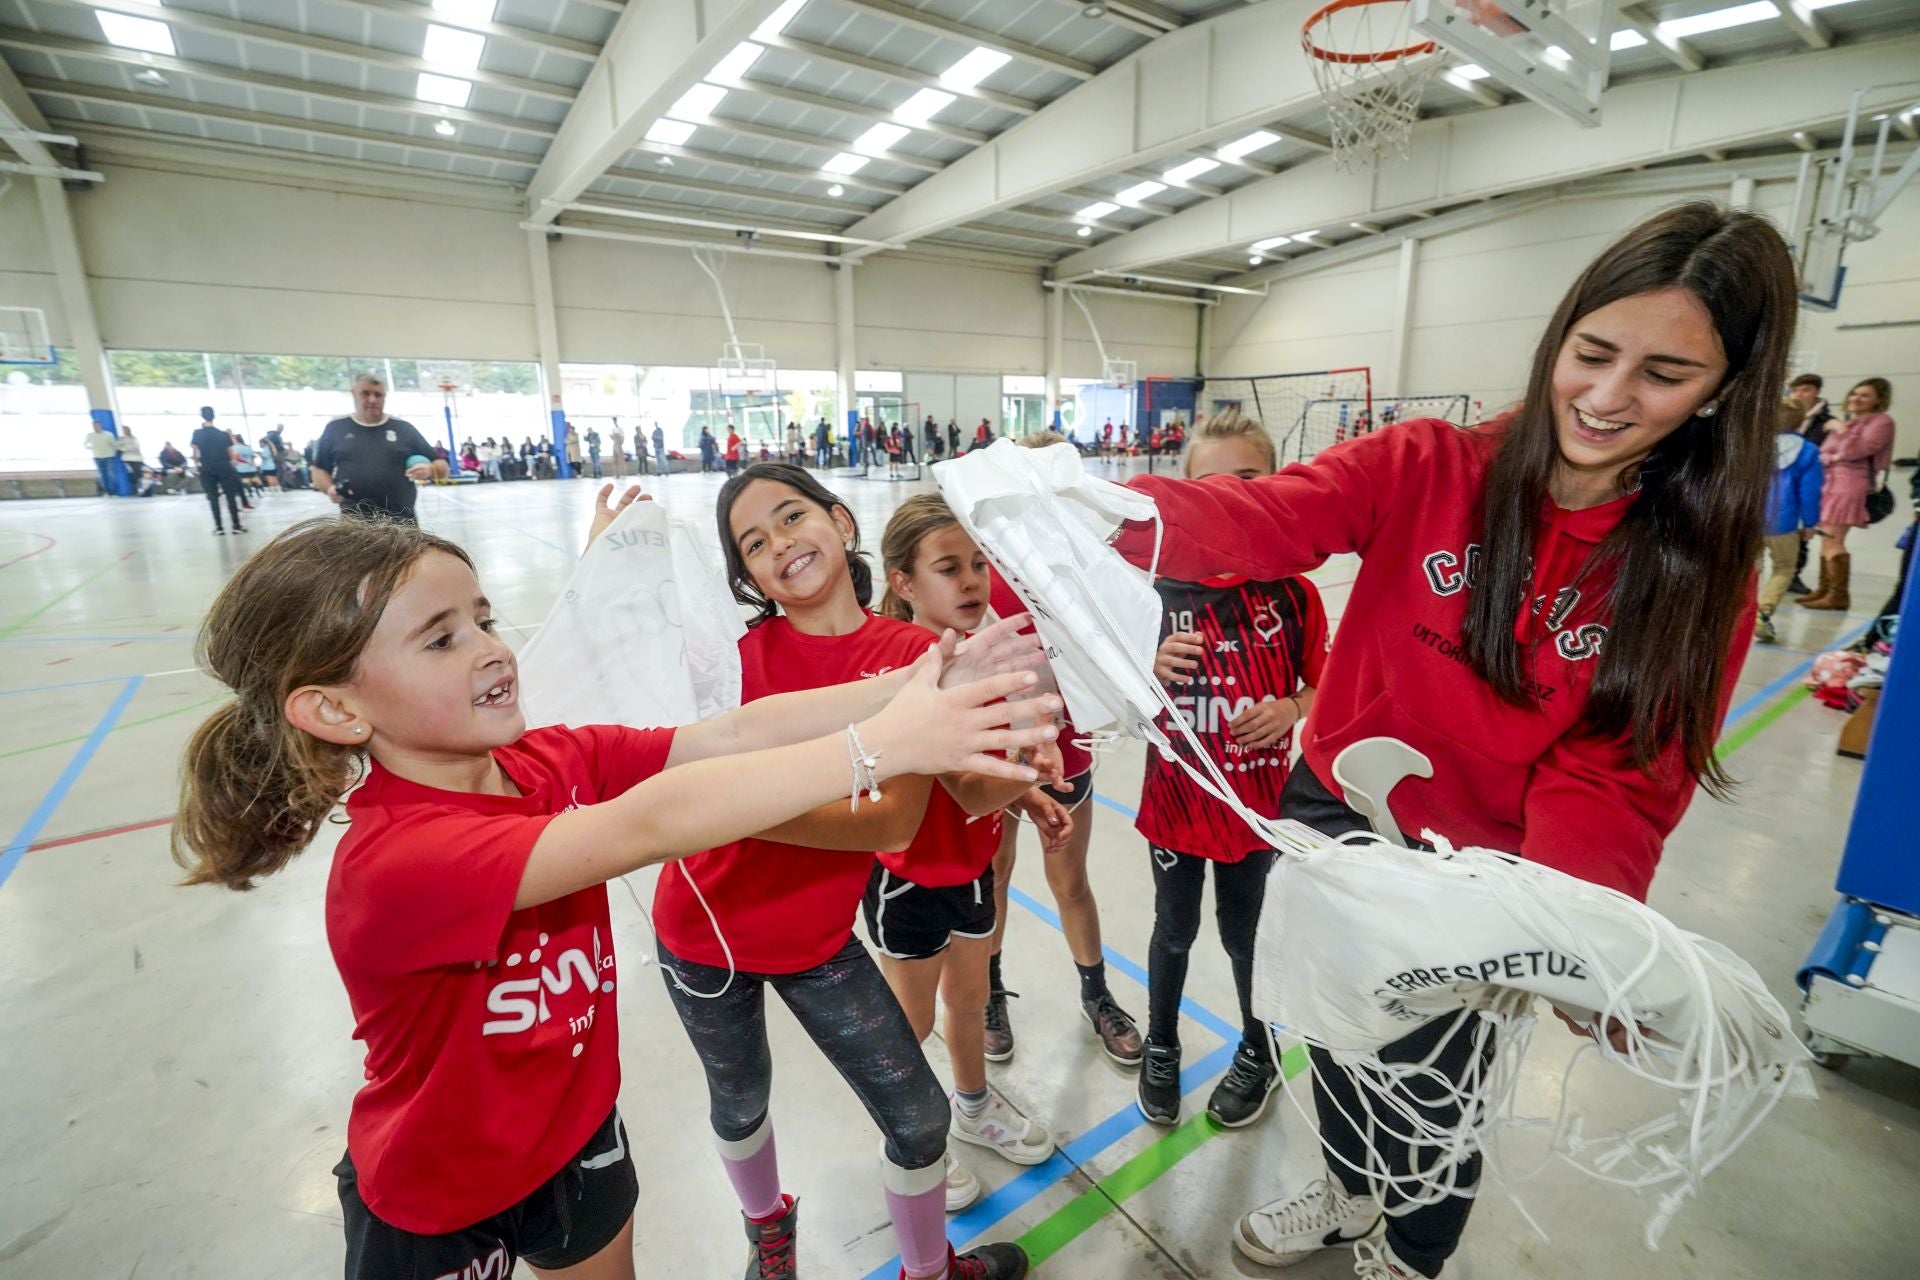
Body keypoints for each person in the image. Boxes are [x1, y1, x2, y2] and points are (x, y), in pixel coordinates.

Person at [1112, 202, 1793, 1279]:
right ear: (1559, 336)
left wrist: (1576, 933)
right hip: (1336, 811)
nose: (1609, 397)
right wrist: (1083, 510)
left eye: (1663, 373)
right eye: (1593, 352)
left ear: (1724, 390)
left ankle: (1415, 1250)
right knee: (1333, 1032)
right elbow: (1270, 516)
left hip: (1485, 869)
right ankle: (1342, 1189)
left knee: (1438, 1082)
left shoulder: (1699, 571)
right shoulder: (1432, 463)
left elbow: (1619, 771)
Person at [169, 513, 1053, 1280]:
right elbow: (649, 825)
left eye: (483, 618)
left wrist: (906, 686)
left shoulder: (536, 761)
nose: (490, 649)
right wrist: (881, 745)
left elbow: (725, 736)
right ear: (334, 710)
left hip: (580, 1143)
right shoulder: (403, 858)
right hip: (440, 1196)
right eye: (442, 638)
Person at [652, 465, 1047, 1280]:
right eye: (753, 545)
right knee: (740, 1102)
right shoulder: (730, 661)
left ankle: (927, 1269)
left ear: (838, 520)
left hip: (817, 940)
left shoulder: (908, 654)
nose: (780, 545)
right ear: (749, 577)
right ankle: (768, 1232)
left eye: (791, 517)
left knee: (918, 1117)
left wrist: (1022, 763)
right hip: (702, 933)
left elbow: (902, 814)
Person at [870, 493, 1077, 1209]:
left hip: (973, 864)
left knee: (969, 995)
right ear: (903, 583)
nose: (970, 582)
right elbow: (962, 788)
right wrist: (1031, 755)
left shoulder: (982, 652)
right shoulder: (910, 667)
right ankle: (909, 1140)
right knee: (912, 1020)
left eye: (979, 564)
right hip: (910, 876)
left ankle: (972, 1105)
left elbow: (984, 784)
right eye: (947, 568)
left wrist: (1029, 795)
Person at [1135, 407, 1326, 1130]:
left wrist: (1293, 708)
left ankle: (1260, 1048)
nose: (1231, 499)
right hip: (1177, 802)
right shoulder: (1149, 594)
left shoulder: (1296, 594)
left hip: (1259, 806)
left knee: (1247, 936)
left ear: (1275, 486)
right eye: (1210, 486)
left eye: (1248, 480)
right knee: (1173, 931)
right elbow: (1110, 691)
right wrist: (1142, 668)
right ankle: (1162, 1045)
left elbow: (1325, 683)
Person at [981, 432, 1144, 1072]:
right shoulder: (980, 569)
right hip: (992, 763)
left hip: (1066, 757)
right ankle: (990, 992)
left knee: (1070, 882)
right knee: (992, 876)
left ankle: (1096, 994)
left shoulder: (1087, 573)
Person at [1801, 377, 1896, 613]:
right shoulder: (1851, 422)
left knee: (1834, 539)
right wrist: (1836, 451)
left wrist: (1841, 432)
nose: (1856, 398)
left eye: (1864, 395)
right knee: (1826, 538)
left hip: (1850, 485)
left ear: (1878, 400)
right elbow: (1822, 454)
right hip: (1830, 483)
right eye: (1855, 393)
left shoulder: (1881, 422)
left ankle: (1838, 595)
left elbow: (1856, 451)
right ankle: (1824, 590)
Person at [312, 373, 435, 523]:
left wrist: (430, 470)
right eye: (365, 394)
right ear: (353, 394)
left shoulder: (404, 428)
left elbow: (440, 464)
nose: (372, 400)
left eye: (378, 395)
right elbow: (319, 469)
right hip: (353, 522)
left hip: (401, 522)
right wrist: (329, 488)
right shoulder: (336, 428)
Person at [1756, 399, 1823, 644]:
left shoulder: (1756, 447)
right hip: (1782, 523)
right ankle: (1763, 612)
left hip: (1748, 522)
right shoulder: (1807, 452)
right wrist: (1810, 522)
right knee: (1784, 568)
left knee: (1749, 571)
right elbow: (1810, 492)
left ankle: (1739, 614)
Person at [190, 407, 246, 535]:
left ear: (202, 416)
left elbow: (195, 453)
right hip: (224, 467)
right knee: (230, 496)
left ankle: (219, 527)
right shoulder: (223, 434)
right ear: (214, 416)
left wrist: (197, 464)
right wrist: (231, 462)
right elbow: (230, 452)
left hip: (207, 468)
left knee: (213, 498)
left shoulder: (197, 433)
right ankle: (236, 526)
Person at [1788, 372, 1833, 446]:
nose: (1798, 394)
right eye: (1795, 390)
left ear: (1817, 392)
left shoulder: (1826, 421)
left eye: (1805, 390)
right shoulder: (1784, 416)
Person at [85, 422, 121, 495]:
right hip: (97, 457)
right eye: (94, 426)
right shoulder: (90, 435)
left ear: (101, 426)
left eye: (97, 425)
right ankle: (106, 490)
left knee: (111, 474)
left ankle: (112, 490)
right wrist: (91, 448)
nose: (96, 427)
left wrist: (113, 452)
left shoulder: (108, 434)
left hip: (109, 456)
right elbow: (85, 444)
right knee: (102, 475)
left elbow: (114, 445)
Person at [117, 425, 148, 495]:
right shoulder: (121, 439)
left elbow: (136, 446)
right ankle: (134, 490)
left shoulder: (134, 438)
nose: (125, 431)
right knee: (132, 475)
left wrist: (126, 448)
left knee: (139, 474)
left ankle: (141, 489)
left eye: (126, 429)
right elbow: (118, 447)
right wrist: (126, 448)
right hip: (127, 459)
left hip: (137, 458)